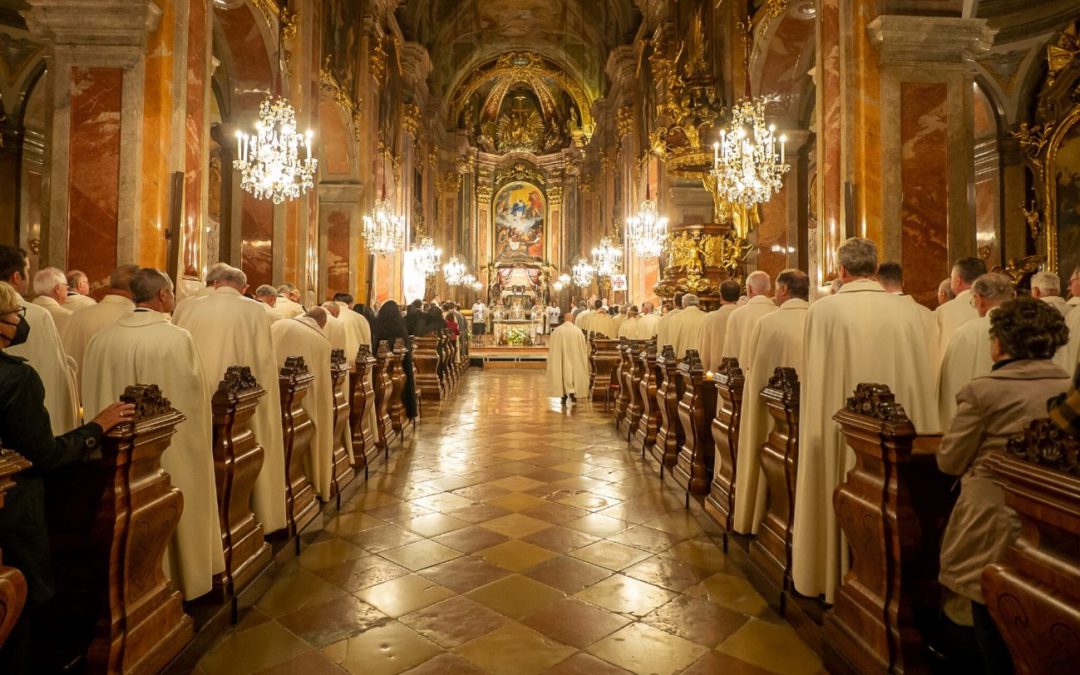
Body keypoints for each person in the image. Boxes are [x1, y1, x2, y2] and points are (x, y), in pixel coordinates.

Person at [792, 237, 939, 602]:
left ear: (841, 270)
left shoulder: (824, 311)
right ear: (875, 269)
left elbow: (813, 380)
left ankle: (831, 570)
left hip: (840, 437)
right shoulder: (910, 311)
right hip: (897, 443)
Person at [0, 280, 133, 673]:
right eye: (14, 313)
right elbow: (43, 454)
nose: (19, 320)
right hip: (13, 512)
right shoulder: (16, 379)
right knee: (19, 607)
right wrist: (96, 427)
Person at [937, 297, 1070, 675]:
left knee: (990, 612)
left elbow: (950, 461)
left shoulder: (984, 391)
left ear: (1000, 343)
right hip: (1053, 523)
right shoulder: (1069, 387)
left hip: (992, 519)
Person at [81, 268, 225, 600]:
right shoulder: (176, 339)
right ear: (163, 295)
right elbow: (194, 404)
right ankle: (183, 575)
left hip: (116, 463)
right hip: (167, 458)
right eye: (172, 293)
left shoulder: (102, 340)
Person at [174, 265, 287, 534]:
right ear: (243, 287)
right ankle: (253, 511)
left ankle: (194, 519)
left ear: (215, 283)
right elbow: (263, 360)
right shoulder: (255, 310)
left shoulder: (186, 308)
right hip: (241, 402)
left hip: (195, 397)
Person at [732, 270, 810, 534]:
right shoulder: (817, 318)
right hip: (808, 415)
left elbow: (751, 371)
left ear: (784, 290)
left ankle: (760, 512)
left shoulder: (767, 323)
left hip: (772, 416)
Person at [1, 246, 80, 435]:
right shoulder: (37, 316)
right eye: (27, 270)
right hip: (30, 424)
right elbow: (55, 375)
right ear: (16, 277)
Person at [271, 308, 336, 499]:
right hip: (300, 403)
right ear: (322, 323)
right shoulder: (321, 342)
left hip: (271, 395)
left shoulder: (279, 324)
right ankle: (311, 477)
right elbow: (321, 388)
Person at [938, 273, 1016, 428]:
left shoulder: (967, 332)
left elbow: (952, 384)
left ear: (979, 299)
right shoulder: (1029, 328)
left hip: (976, 424)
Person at [60, 263, 139, 384]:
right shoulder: (134, 320)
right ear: (137, 288)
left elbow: (62, 363)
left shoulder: (76, 317)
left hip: (75, 392)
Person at [721, 272, 777, 373]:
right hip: (775, 378)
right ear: (768, 289)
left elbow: (729, 354)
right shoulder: (778, 312)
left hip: (743, 376)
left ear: (749, 289)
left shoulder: (736, 315)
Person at [373, 301, 418, 420]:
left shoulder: (377, 324)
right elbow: (406, 345)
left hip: (381, 364)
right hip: (400, 363)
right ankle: (404, 407)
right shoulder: (400, 325)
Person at [935, 257, 987, 359]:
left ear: (957, 281)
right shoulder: (993, 306)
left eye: (951, 277)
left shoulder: (944, 311)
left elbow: (939, 354)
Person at [546, 312, 590, 405]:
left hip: (561, 357)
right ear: (572, 319)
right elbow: (583, 347)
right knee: (573, 373)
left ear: (564, 319)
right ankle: (573, 395)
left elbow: (552, 348)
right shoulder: (578, 331)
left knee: (562, 372)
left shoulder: (557, 331)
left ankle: (563, 396)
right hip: (574, 357)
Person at [700, 280, 741, 372]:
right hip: (740, 372)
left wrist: (704, 371)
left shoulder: (710, 318)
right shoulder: (745, 316)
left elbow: (705, 349)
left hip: (716, 371)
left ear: (721, 296)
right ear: (738, 296)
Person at [667, 293, 708, 360]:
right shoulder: (706, 317)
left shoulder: (675, 318)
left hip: (682, 358)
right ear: (698, 304)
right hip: (701, 358)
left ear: (684, 304)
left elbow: (672, 341)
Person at [31, 267, 73, 331]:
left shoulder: (24, 311)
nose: (67, 292)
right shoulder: (69, 316)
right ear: (58, 288)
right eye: (66, 287)